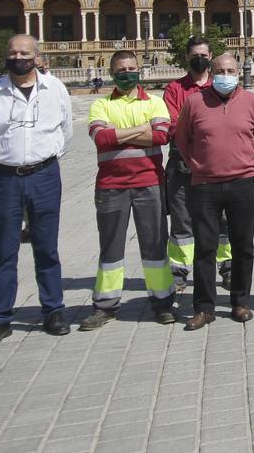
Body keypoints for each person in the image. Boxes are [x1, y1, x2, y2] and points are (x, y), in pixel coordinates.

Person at [0, 34, 75, 347]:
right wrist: (6, 161)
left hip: (44, 174)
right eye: (13, 52)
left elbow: (65, 132)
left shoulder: (55, 89)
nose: (18, 57)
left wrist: (42, 157)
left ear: (37, 56)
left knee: (47, 247)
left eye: (24, 52)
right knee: (4, 250)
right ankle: (0, 318)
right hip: (4, 179)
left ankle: (53, 311)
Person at [175, 53, 254, 330]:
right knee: (204, 247)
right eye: (220, 70)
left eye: (230, 70)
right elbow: (182, 139)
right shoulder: (195, 102)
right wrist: (196, 163)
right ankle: (204, 307)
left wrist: (244, 160)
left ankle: (240, 302)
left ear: (239, 71)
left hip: (242, 182)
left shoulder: (252, 102)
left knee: (243, 245)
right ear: (211, 71)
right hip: (204, 184)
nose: (225, 75)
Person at [79, 51, 176, 330]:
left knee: (155, 244)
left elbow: (160, 135)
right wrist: (140, 129)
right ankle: (105, 305)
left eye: (132, 68)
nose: (127, 73)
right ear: (111, 72)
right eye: (121, 69)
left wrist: (118, 133)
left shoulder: (155, 102)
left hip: (149, 183)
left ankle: (162, 302)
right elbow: (101, 138)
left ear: (140, 71)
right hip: (111, 186)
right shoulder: (100, 104)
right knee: (110, 247)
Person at [162, 37, 233, 293]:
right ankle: (179, 271)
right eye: (195, 54)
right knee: (182, 219)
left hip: (217, 165)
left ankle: (227, 268)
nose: (200, 58)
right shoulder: (175, 89)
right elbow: (173, 125)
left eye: (204, 54)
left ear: (211, 55)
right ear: (187, 57)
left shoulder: (223, 83)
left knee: (223, 219)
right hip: (182, 164)